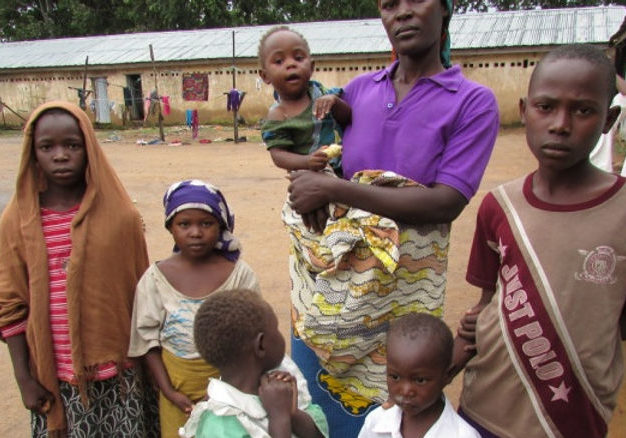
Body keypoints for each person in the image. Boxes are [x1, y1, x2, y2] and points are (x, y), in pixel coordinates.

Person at [286, 1, 499, 435]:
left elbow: (445, 202)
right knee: (318, 413)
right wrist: (311, 183)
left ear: (445, 9)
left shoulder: (472, 102)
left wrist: (333, 188)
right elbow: (325, 164)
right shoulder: (358, 92)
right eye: (388, 4)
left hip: (402, 305)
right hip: (332, 303)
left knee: (387, 418)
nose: (401, 13)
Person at [452, 44, 624, 438]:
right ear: (525, 109)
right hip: (485, 410)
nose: (561, 124)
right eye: (546, 107)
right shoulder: (499, 206)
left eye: (582, 110)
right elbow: (486, 308)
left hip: (571, 417)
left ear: (608, 119)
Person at [0, 101, 158, 437]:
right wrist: (24, 379)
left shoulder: (120, 217)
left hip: (121, 375)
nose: (60, 155)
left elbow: (144, 295)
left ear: (89, 148)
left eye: (72, 145)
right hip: (54, 377)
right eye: (47, 147)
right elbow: (10, 305)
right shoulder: (17, 221)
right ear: (33, 152)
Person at [128, 180, 260, 438]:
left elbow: (255, 335)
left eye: (206, 224)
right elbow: (147, 340)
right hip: (177, 389)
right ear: (170, 228)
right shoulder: (156, 279)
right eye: (184, 224)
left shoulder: (239, 275)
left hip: (231, 390)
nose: (196, 232)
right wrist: (168, 391)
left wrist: (236, 387)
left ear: (221, 226)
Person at [179, 288, 329, 438]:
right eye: (276, 329)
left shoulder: (278, 379)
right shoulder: (220, 425)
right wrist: (279, 418)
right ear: (261, 345)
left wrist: (293, 413)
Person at [358, 313, 479, 438]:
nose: (405, 391)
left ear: (448, 375)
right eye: (395, 377)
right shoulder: (377, 422)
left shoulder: (462, 435)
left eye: (420, 380)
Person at [259, 25, 351, 175]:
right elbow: (279, 155)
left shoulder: (322, 93)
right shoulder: (278, 114)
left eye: (299, 58)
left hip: (344, 173)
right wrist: (307, 161)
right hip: (308, 180)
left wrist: (335, 101)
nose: (291, 64)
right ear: (265, 76)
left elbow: (348, 118)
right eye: (279, 61)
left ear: (311, 66)